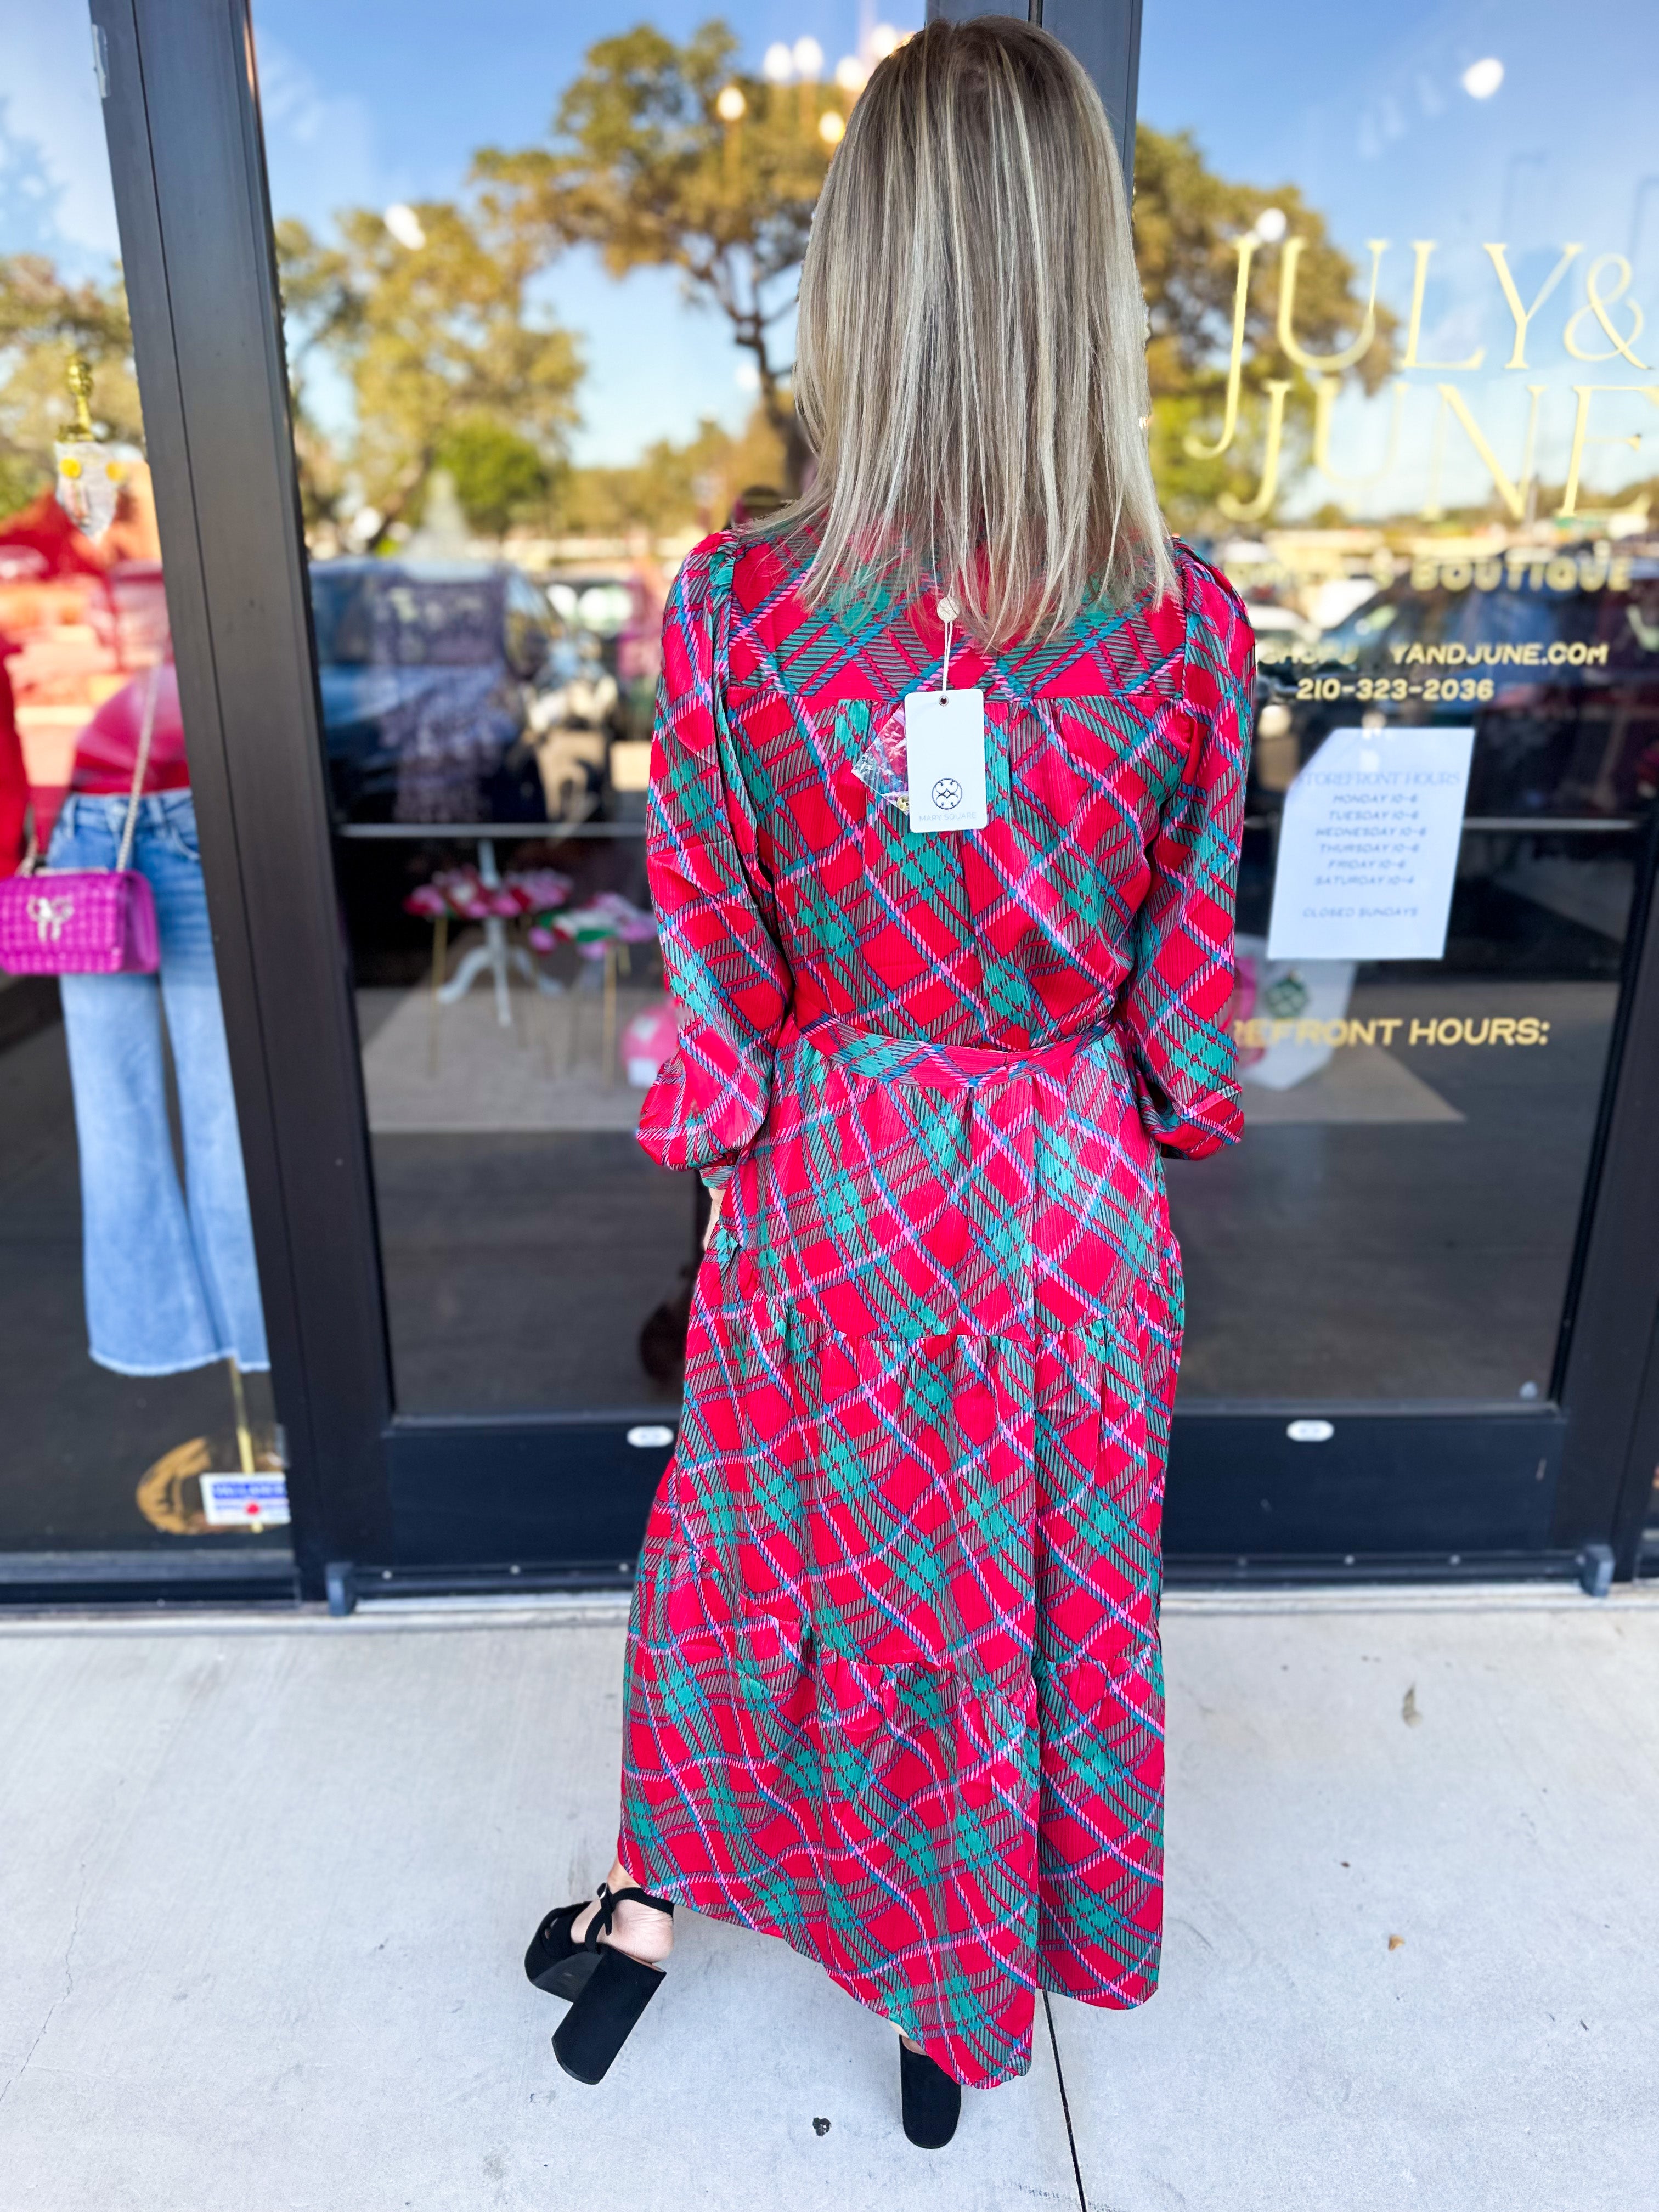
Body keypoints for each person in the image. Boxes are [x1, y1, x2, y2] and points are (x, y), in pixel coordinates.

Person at [523, 15, 1252, 2149]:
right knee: (1016, 1595)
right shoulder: (1189, 627)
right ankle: (961, 1989)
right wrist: (1151, 1110)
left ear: (864, 272)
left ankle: (651, 1914)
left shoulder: (743, 612)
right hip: (1064, 1193)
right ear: (1083, 281)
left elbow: (712, 966)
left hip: (832, 1173)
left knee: (757, 1570)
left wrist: (715, 1127)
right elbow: (1187, 1006)